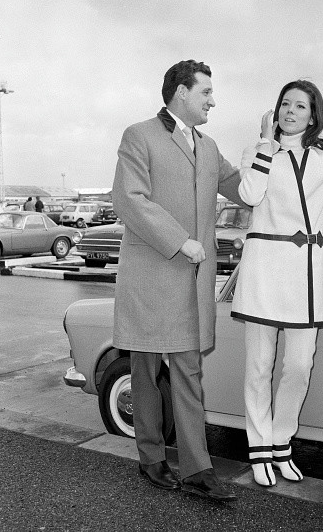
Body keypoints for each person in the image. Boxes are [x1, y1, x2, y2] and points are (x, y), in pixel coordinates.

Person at [231, 79, 323, 487]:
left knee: (298, 366)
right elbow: (251, 193)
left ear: (314, 115)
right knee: (258, 366)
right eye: (285, 104)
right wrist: (265, 145)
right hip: (263, 269)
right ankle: (259, 449)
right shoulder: (256, 151)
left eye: (300, 106)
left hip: (305, 274)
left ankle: (281, 443)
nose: (290, 111)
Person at [112, 60, 243, 502]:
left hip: (191, 283)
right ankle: (151, 457)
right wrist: (181, 241)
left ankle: (197, 468)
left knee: (189, 371)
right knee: (145, 372)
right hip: (152, 275)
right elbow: (128, 199)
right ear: (181, 93)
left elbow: (244, 190)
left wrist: (270, 150)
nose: (212, 100)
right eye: (206, 91)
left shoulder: (209, 148)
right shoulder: (139, 135)